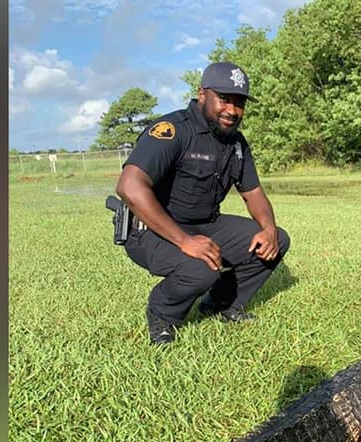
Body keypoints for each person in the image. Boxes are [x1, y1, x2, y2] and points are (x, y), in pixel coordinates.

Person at [115, 61, 291, 345]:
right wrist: (185, 241)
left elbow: (254, 193)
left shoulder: (236, 143)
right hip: (151, 229)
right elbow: (129, 187)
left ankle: (222, 304)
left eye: (239, 103)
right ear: (202, 94)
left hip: (204, 224)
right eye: (224, 99)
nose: (232, 110)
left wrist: (268, 228)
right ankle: (161, 312)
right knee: (201, 268)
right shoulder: (173, 130)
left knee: (277, 240)